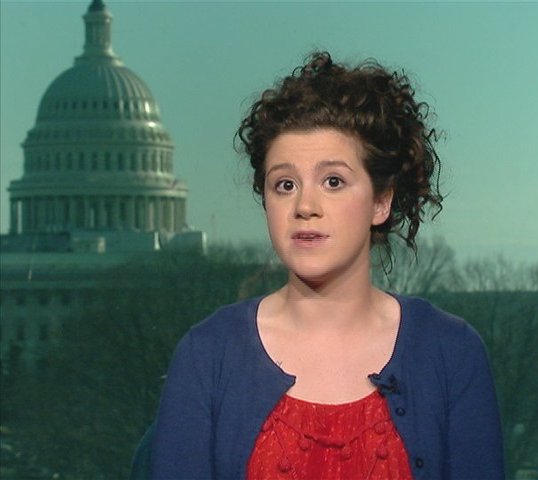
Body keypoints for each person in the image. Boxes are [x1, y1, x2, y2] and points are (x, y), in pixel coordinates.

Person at [150, 52, 504, 479]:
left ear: (381, 201)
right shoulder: (208, 355)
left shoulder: (451, 352)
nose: (305, 206)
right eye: (285, 185)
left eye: (333, 181)